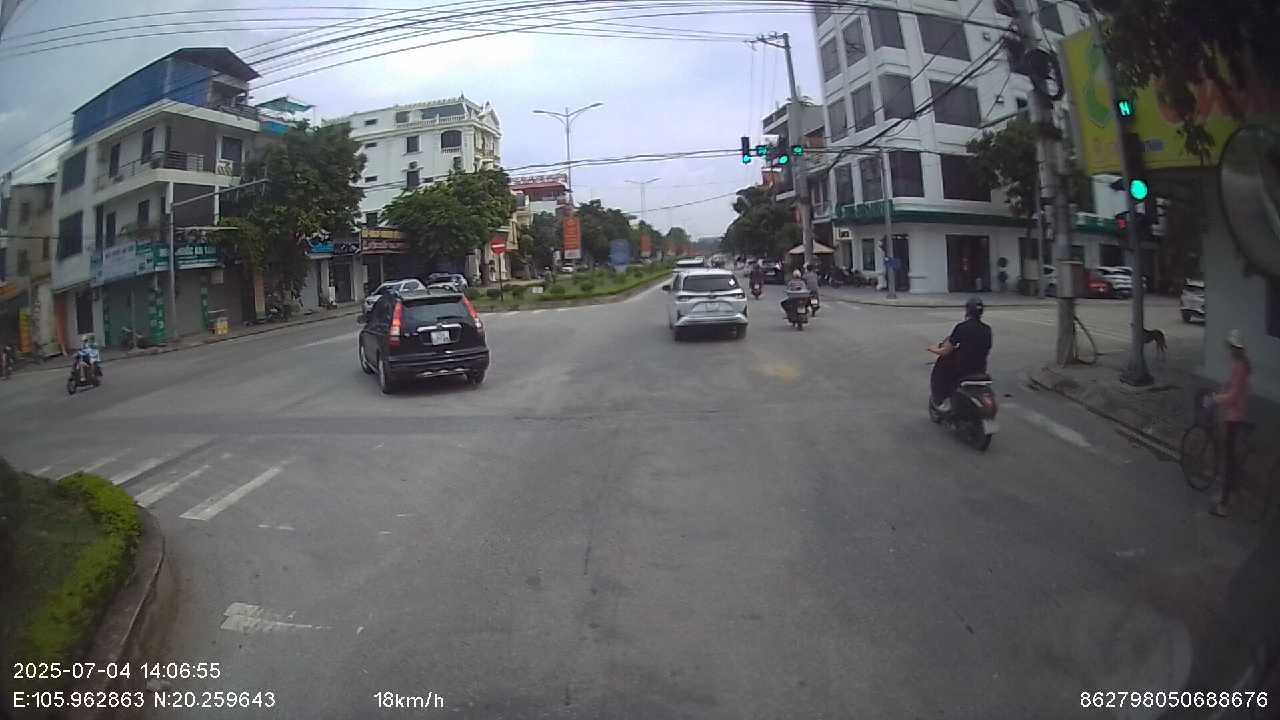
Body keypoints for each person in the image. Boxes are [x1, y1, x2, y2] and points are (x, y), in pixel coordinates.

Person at [1211, 329, 1251, 517]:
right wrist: (1222, 390)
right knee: (1231, 456)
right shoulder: (1239, 363)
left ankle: (1223, 505)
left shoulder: (1240, 366)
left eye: (1231, 347)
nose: (1229, 350)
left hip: (1234, 417)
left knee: (1228, 460)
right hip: (1235, 413)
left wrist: (1217, 399)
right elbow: (1232, 385)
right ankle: (1232, 490)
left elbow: (1234, 395)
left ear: (1236, 348)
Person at [927, 297, 992, 412]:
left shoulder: (962, 327)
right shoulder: (987, 329)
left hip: (962, 369)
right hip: (981, 368)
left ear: (967, 311)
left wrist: (932, 349)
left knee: (941, 370)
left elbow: (945, 351)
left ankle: (941, 400)